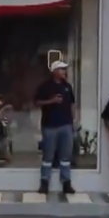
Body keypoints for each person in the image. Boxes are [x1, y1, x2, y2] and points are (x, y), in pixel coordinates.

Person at [34, 60, 77, 195]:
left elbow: (72, 104)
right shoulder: (45, 87)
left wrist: (73, 120)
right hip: (49, 126)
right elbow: (37, 102)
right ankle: (44, 183)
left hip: (66, 125)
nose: (64, 72)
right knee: (48, 155)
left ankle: (66, 183)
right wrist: (51, 101)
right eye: (61, 69)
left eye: (64, 69)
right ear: (54, 71)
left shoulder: (67, 86)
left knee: (66, 156)